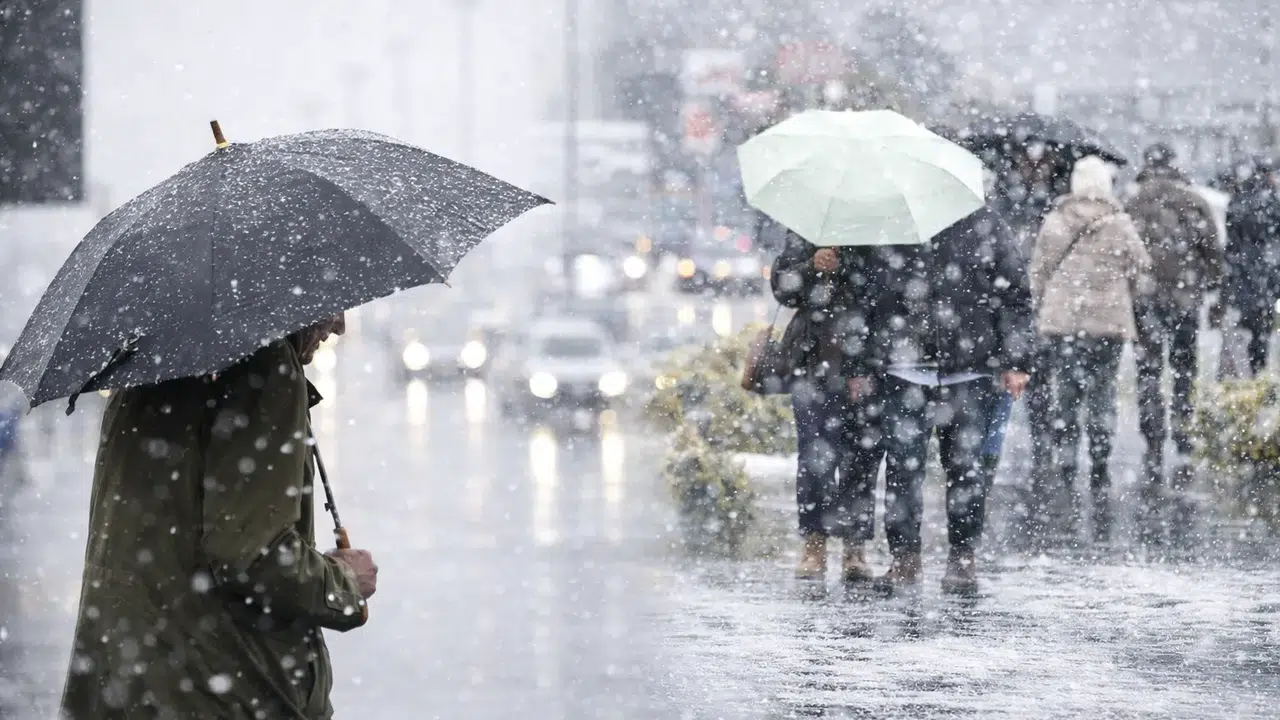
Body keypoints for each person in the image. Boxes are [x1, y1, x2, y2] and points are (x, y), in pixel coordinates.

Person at [60, 315, 379, 719]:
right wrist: (345, 584)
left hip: (124, 681)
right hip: (217, 692)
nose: (339, 326)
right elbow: (253, 557)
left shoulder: (151, 358)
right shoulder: (263, 362)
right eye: (334, 306)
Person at [859, 204, 1032, 595]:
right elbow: (872, 294)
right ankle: (904, 557)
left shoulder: (984, 222)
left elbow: (1015, 294)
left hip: (968, 370)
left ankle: (962, 557)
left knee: (966, 469)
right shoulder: (895, 223)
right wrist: (865, 360)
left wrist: (1016, 359)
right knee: (904, 469)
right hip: (906, 369)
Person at [1032, 156, 1152, 544]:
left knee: (1066, 394)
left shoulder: (1057, 219)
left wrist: (1042, 304)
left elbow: (1039, 270)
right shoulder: (1120, 222)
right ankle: (1099, 464)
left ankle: (1067, 463)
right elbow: (1141, 265)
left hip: (1064, 324)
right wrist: (1120, 293)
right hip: (1108, 325)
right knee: (1102, 394)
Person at [771, 227, 883, 584]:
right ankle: (814, 543)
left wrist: (848, 266)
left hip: (862, 362)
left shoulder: (877, 231)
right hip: (812, 364)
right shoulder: (807, 225)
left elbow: (885, 295)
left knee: (861, 459)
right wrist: (811, 266)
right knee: (814, 459)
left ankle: (854, 547)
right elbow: (783, 290)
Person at [1124, 143, 1223, 519]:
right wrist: (1208, 288)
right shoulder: (1193, 201)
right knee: (1184, 372)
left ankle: (1153, 441)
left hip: (1145, 301)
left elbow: (1125, 255)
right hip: (1184, 300)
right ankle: (1183, 438)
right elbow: (1212, 254)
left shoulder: (1133, 203)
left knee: (1149, 373)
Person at [1224, 159, 1280, 376]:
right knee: (1264, 328)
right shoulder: (1273, 201)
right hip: (1269, 273)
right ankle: (1260, 371)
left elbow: (1231, 242)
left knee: (1246, 326)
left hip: (1244, 275)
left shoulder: (1238, 199)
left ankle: (1247, 373)